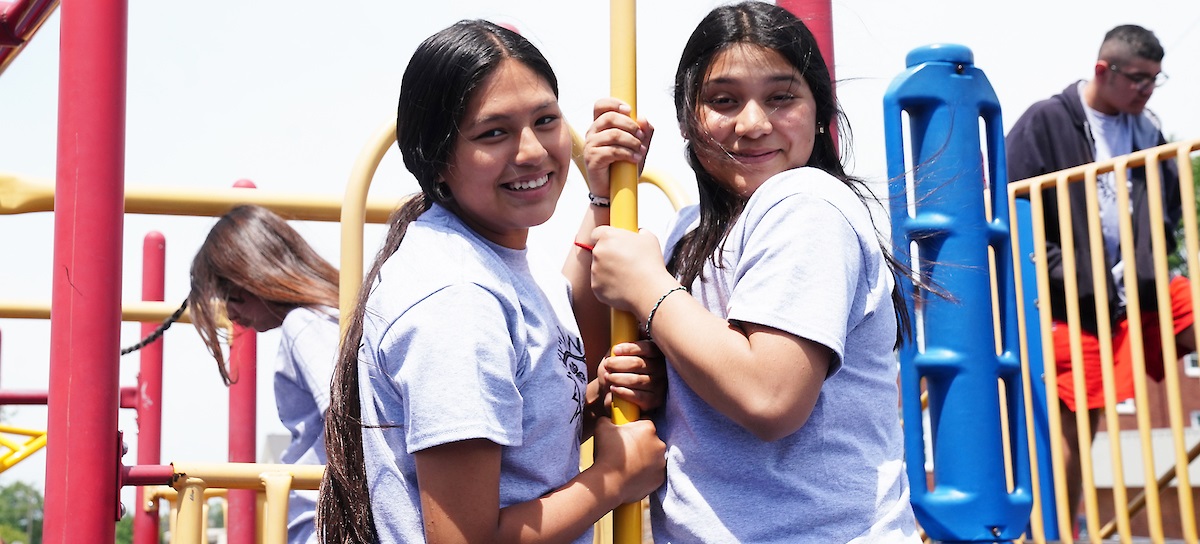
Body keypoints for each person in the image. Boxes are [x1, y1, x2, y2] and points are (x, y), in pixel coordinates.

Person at [315, 20, 665, 544]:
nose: (531, 151)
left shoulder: (497, 260)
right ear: (437, 161)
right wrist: (611, 480)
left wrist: (592, 404)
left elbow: (560, 344)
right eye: (493, 132)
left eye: (545, 120)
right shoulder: (457, 298)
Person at [582, 2, 921, 542]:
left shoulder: (807, 203)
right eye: (723, 100)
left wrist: (649, 287)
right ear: (688, 118)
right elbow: (585, 350)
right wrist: (604, 195)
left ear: (820, 111)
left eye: (782, 97)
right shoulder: (691, 229)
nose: (754, 123)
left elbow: (770, 397)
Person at [1005, 24, 1192, 524]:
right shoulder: (1048, 121)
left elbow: (1168, 207)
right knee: (1076, 424)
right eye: (1137, 78)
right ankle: (1056, 527)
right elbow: (1010, 210)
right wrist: (1065, 274)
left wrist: (1150, 259)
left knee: (1191, 306)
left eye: (1156, 79)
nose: (1147, 89)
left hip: (1138, 291)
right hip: (1076, 302)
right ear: (1102, 71)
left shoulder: (1147, 129)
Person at [187, 203, 340, 544]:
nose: (228, 311)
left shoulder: (307, 324)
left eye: (230, 294)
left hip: (325, 523)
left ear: (256, 274)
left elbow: (348, 419)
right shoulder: (331, 318)